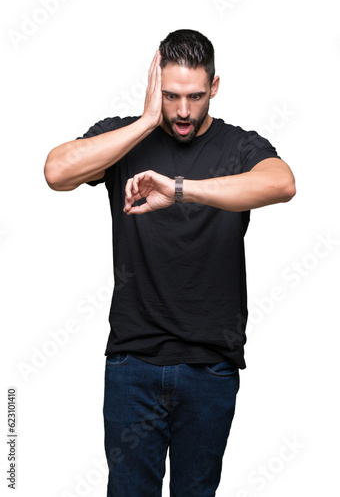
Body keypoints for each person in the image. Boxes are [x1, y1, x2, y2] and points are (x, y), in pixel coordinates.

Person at [44, 29, 295, 497]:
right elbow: (56, 171)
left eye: (195, 97)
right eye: (171, 96)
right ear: (155, 88)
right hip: (132, 363)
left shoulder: (239, 146)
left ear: (214, 88)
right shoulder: (124, 136)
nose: (182, 111)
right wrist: (144, 122)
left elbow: (282, 184)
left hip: (210, 367)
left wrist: (181, 189)